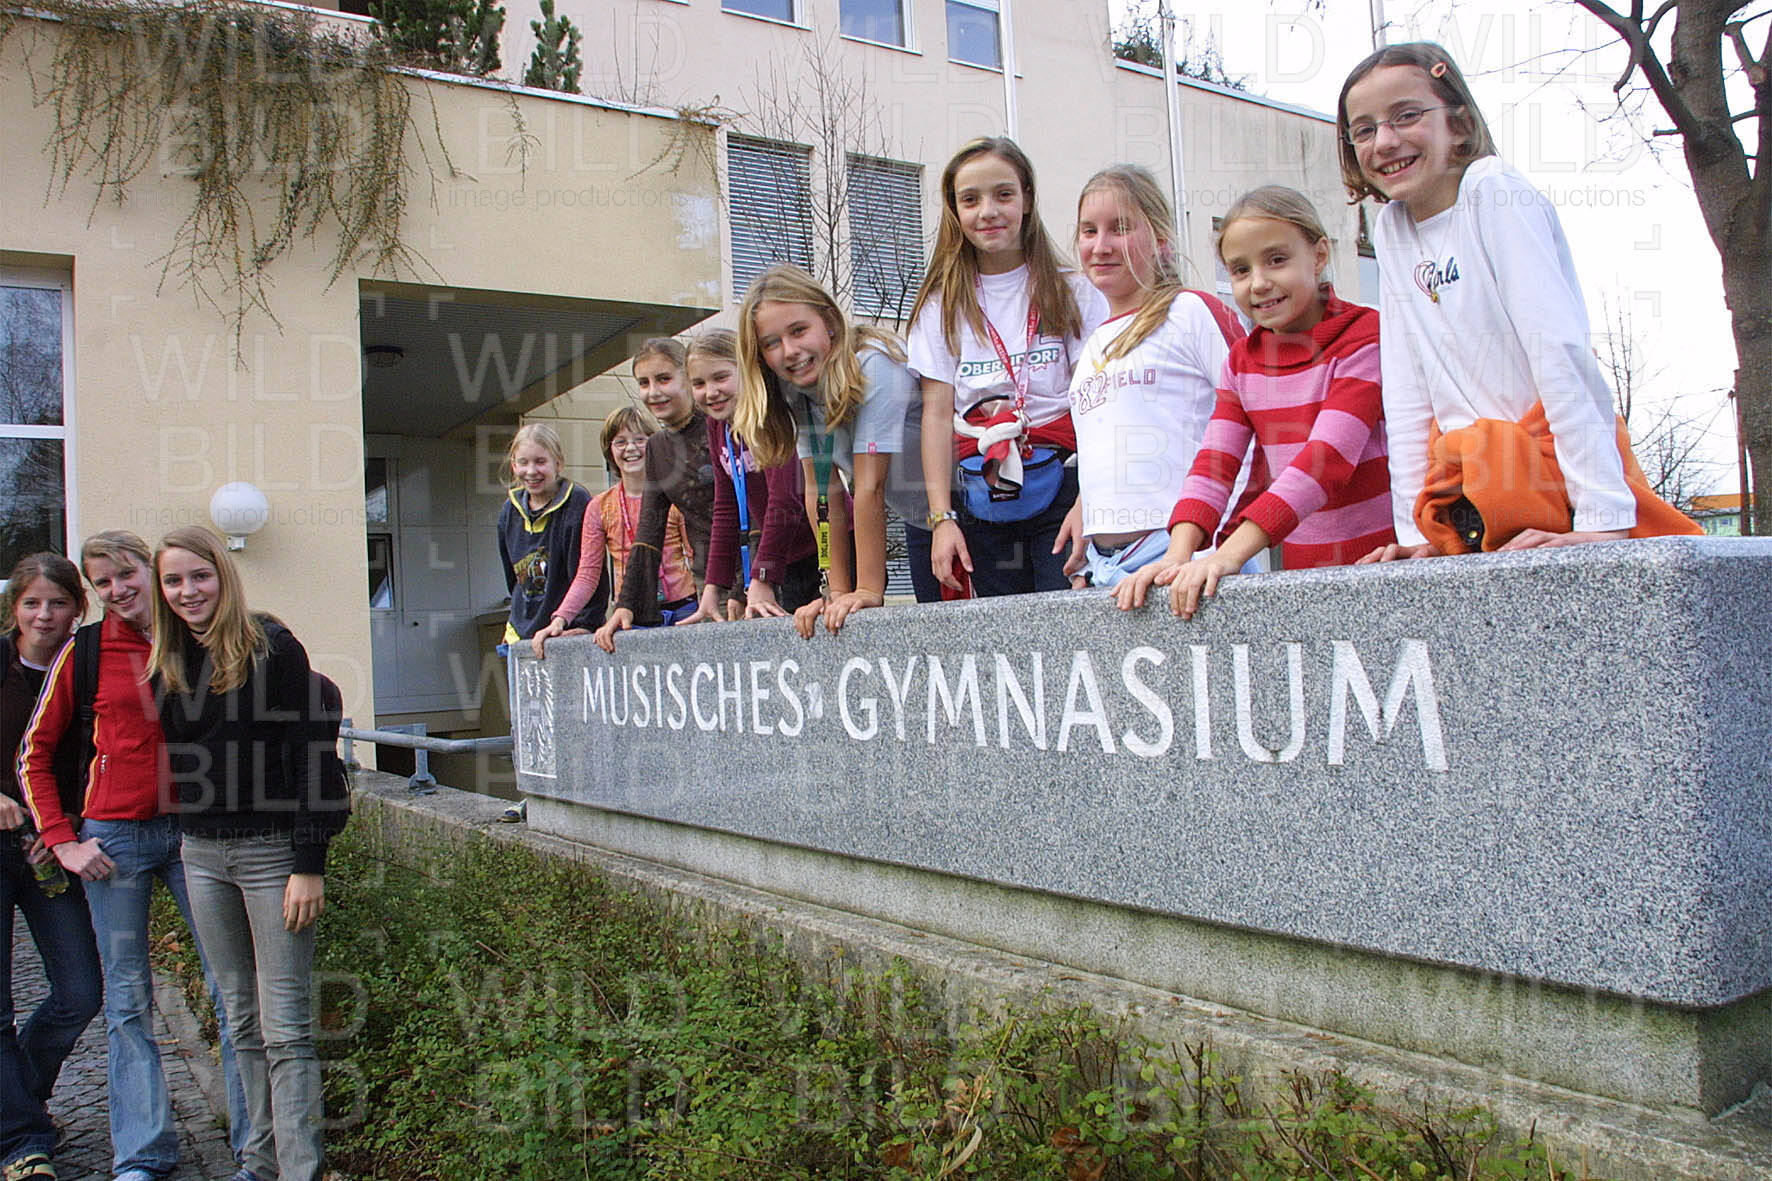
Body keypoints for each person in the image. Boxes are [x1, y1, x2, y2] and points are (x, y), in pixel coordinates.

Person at [1337, 42, 1700, 560]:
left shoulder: (1493, 191)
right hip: (1475, 491)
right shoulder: (1392, 227)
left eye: (1407, 115)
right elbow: (1406, 388)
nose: (1385, 141)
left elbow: (1558, 350)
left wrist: (1602, 520)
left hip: (1558, 474)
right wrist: (1418, 535)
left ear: (1459, 124)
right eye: (1365, 129)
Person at [19, 531, 248, 1181]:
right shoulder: (86, 650)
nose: (118, 589)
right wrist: (62, 839)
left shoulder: (195, 638)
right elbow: (35, 752)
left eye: (127, 574)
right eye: (102, 582)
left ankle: (254, 1149)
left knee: (231, 987)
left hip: (193, 834)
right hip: (113, 841)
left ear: (150, 570)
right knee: (126, 1000)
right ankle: (142, 1155)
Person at [148, 527, 348, 1181]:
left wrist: (308, 863)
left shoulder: (274, 648)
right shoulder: (169, 661)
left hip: (271, 857)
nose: (188, 591)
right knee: (240, 1021)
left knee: (286, 1027)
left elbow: (313, 757)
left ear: (223, 577)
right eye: (173, 580)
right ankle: (258, 1162)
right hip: (201, 854)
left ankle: (300, 1168)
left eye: (199, 576)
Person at [1115, 186, 1395, 617]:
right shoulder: (1243, 361)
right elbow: (1215, 462)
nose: (1259, 283)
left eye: (1277, 260)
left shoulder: (1361, 336)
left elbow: (1325, 462)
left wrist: (1227, 555)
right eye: (1240, 270)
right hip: (1303, 577)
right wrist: (1176, 555)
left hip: (1382, 565)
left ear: (1319, 255)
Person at [907, 137, 1109, 597]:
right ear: (954, 210)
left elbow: (1097, 403)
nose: (988, 211)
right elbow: (936, 416)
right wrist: (942, 518)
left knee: (1070, 620)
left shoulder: (1075, 290)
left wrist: (1092, 497)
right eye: (970, 200)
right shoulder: (940, 306)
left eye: (1003, 194)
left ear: (1027, 199)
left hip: (1065, 483)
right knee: (1004, 631)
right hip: (983, 488)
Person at [1063, 165, 1246, 590]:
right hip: (1107, 566)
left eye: (1120, 228)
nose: (1101, 246)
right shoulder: (1093, 344)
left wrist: (1220, 545)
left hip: (1186, 553)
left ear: (1161, 240)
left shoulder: (1190, 311)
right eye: (1089, 231)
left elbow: (1253, 422)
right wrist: (1089, 535)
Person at [732, 264, 930, 637]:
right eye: (771, 343)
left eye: (798, 331)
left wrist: (868, 589)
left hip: (970, 510)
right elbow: (822, 490)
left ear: (828, 320)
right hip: (922, 522)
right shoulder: (800, 393)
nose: (790, 351)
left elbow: (869, 485)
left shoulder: (873, 362)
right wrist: (836, 592)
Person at [2, 554, 100, 1181]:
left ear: (77, 609)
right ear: (14, 608)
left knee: (80, 991)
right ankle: (21, 1142)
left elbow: (98, 761)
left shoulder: (84, 669)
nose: (44, 615)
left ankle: (17, 1100)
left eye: (58, 603)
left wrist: (63, 827)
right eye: (32, 603)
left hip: (50, 850)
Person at [531, 407, 696, 658]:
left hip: (684, 608)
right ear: (610, 450)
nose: (631, 448)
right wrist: (560, 619)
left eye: (640, 439)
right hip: (631, 615)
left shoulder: (674, 495)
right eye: (620, 442)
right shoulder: (599, 506)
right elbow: (588, 574)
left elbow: (694, 556)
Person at [681, 328, 821, 622]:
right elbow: (726, 509)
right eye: (699, 383)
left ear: (747, 370)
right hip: (788, 560)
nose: (711, 392)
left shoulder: (770, 414)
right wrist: (713, 588)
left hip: (826, 549)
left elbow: (786, 501)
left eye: (721, 377)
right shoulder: (718, 426)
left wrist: (762, 577)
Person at [594, 340, 718, 650]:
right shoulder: (658, 447)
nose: (653, 392)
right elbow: (649, 531)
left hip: (755, 573)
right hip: (709, 580)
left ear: (687, 377)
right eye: (644, 383)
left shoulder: (719, 426)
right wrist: (626, 604)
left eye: (664, 379)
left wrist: (758, 579)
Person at [497, 422, 595, 644]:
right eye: (523, 462)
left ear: (558, 463)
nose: (531, 471)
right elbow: (512, 577)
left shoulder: (576, 503)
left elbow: (589, 573)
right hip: (520, 634)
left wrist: (586, 624)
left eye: (540, 462)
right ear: (513, 465)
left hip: (565, 632)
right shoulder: (509, 511)